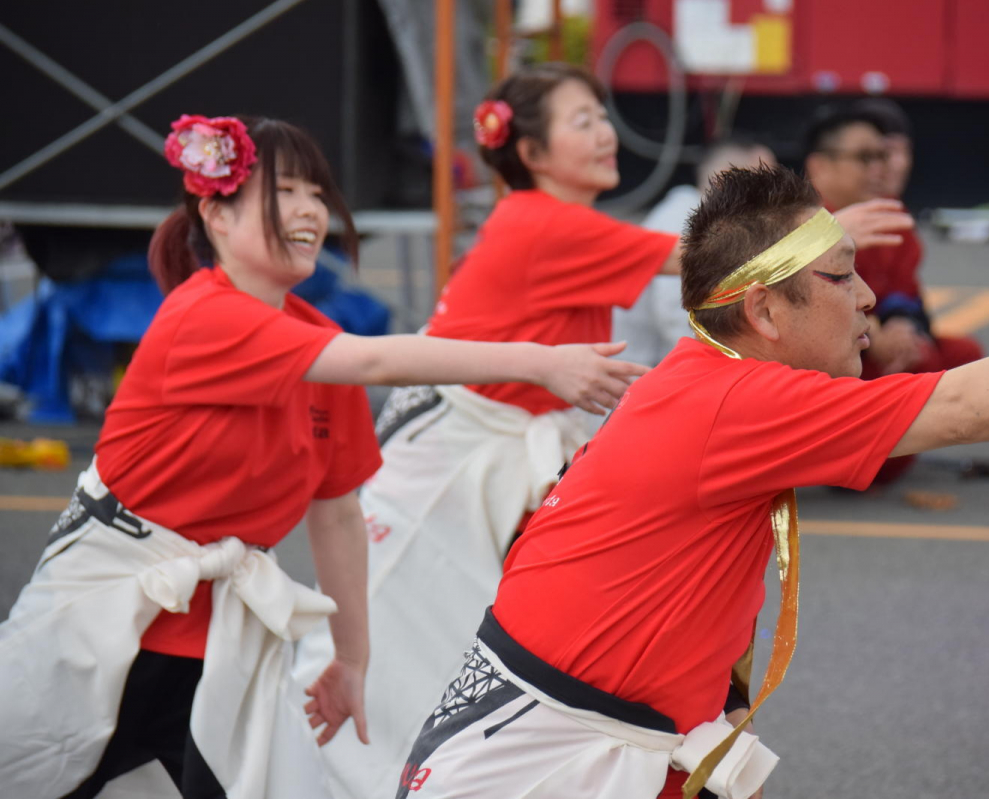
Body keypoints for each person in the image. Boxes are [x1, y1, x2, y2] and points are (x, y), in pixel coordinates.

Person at [395, 164, 989, 799]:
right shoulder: (737, 399)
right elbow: (958, 406)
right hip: (544, 755)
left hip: (576, 731)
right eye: (841, 278)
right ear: (765, 314)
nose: (869, 298)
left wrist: (723, 700)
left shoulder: (702, 377)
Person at [0, 113, 646, 799]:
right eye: (286, 191)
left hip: (219, 642)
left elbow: (336, 514)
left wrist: (351, 660)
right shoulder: (206, 314)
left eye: (317, 192)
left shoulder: (315, 342)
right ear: (216, 213)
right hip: (108, 617)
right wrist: (536, 361)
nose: (310, 209)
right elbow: (374, 359)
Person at [293, 62, 683, 799]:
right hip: (458, 467)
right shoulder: (548, 221)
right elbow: (708, 265)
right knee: (424, 646)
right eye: (582, 120)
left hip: (468, 456)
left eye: (602, 114)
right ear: (531, 154)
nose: (605, 132)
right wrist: (821, 236)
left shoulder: (542, 219)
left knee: (438, 644)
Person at [615, 138, 916, 367]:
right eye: (764, 186)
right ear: (727, 183)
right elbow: (681, 327)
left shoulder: (700, 219)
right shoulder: (682, 221)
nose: (778, 202)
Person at [804, 105, 983, 482]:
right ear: (820, 167)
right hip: (818, 364)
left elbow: (907, 295)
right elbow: (800, 314)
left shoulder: (888, 216)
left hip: (869, 352)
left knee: (959, 356)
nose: (879, 168)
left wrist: (903, 329)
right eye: (864, 158)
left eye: (882, 156)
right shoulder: (799, 224)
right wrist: (871, 334)